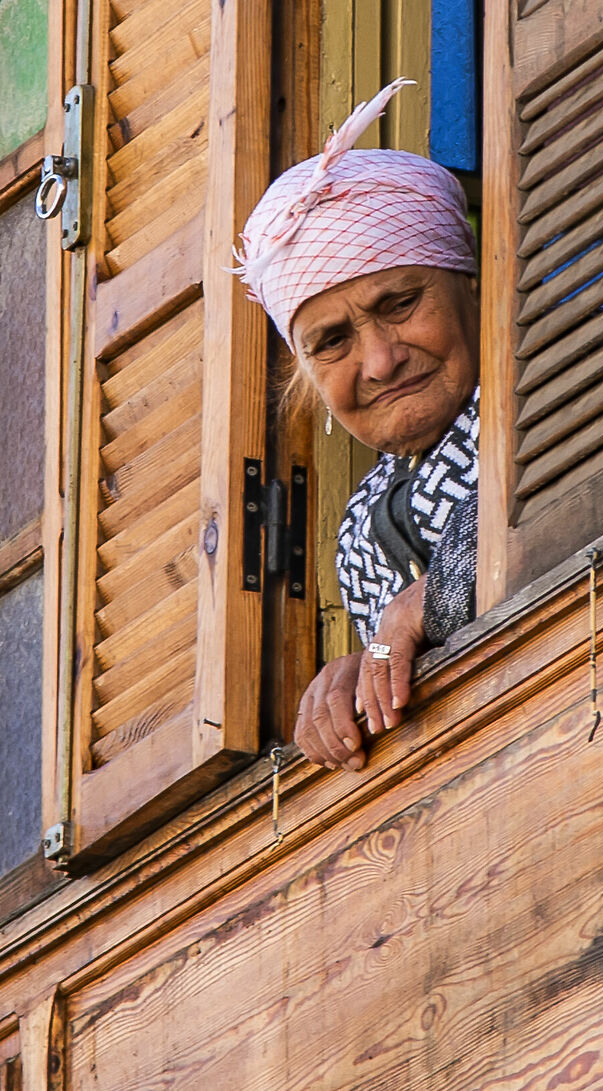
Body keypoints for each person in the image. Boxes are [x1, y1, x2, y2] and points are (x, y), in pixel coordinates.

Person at [234, 80, 481, 771]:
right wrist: (352, 678)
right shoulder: (360, 531)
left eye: (400, 302)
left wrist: (421, 606)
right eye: (333, 341)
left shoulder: (545, 390)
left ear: (472, 285)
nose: (379, 359)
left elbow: (562, 503)